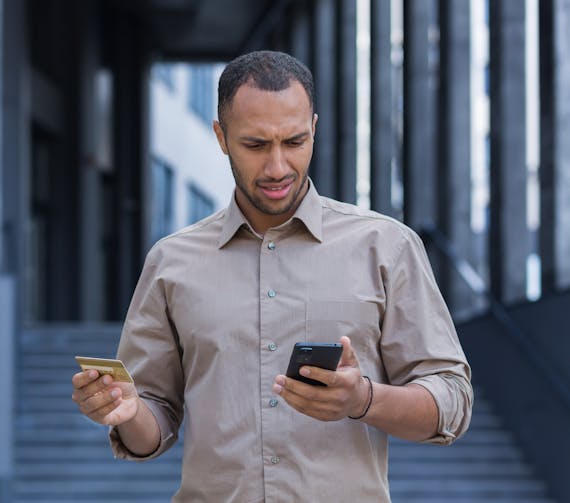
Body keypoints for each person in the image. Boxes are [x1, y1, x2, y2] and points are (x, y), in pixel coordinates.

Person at [72, 50, 473, 502]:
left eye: (295, 142)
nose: (278, 167)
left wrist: (361, 400)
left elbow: (451, 402)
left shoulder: (387, 247)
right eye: (256, 145)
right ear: (221, 137)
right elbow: (152, 423)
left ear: (315, 131)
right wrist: (126, 412)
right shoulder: (170, 261)